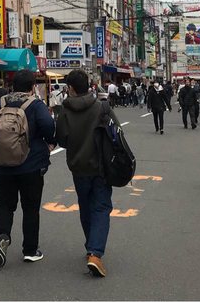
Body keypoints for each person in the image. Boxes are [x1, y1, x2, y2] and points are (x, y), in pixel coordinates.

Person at [0, 70, 56, 268]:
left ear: (12, 85)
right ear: (32, 86)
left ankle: (3, 236)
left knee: (4, 204)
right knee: (30, 208)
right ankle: (30, 250)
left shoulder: (0, 104)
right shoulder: (35, 105)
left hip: (3, 166)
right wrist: (50, 143)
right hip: (31, 165)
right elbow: (49, 127)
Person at [56, 69, 116, 278]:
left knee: (85, 206)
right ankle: (95, 252)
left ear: (71, 88)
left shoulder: (65, 111)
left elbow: (62, 139)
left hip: (78, 166)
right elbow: (115, 133)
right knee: (101, 206)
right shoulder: (101, 107)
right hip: (100, 166)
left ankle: (91, 246)